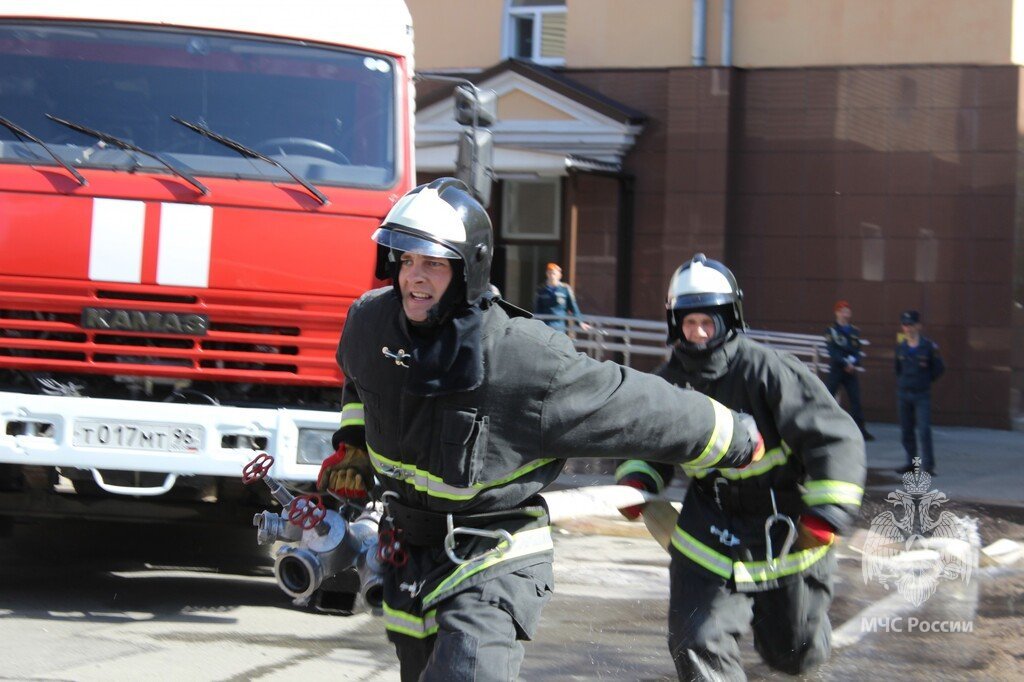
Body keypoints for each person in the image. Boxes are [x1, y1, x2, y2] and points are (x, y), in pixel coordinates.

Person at [317, 180, 765, 682]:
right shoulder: (370, 324)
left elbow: (632, 403)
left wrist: (732, 435)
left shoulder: (521, 358)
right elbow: (361, 384)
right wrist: (351, 448)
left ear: (468, 269)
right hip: (409, 554)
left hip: (491, 554)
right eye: (407, 261)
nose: (414, 278)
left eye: (434, 264)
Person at [616, 253, 865, 681]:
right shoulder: (668, 382)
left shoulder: (769, 372)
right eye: (688, 323)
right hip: (708, 529)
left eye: (706, 323)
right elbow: (648, 440)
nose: (697, 333)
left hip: (784, 530)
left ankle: (798, 638)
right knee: (697, 641)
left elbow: (833, 437)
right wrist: (637, 480)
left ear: (729, 320)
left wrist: (827, 515)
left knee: (793, 653)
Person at [895, 310, 944, 475]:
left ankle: (928, 466)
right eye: (905, 325)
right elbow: (898, 369)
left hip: (921, 395)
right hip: (904, 394)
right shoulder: (901, 347)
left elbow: (938, 368)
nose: (907, 328)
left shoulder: (928, 346)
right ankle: (912, 463)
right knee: (906, 430)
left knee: (923, 430)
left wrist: (924, 381)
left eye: (910, 325)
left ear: (918, 326)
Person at [824, 300, 873, 441]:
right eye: (842, 310)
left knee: (855, 399)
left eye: (847, 310)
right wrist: (844, 361)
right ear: (837, 313)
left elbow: (857, 350)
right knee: (829, 398)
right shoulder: (831, 330)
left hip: (850, 371)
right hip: (837, 369)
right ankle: (825, 428)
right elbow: (832, 351)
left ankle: (861, 430)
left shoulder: (854, 331)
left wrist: (853, 362)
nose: (845, 313)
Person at [533, 262, 591, 333]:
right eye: (549, 273)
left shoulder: (565, 289)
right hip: (545, 325)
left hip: (559, 326)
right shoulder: (541, 290)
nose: (551, 276)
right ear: (547, 274)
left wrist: (580, 322)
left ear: (559, 276)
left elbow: (573, 307)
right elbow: (537, 309)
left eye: (554, 273)